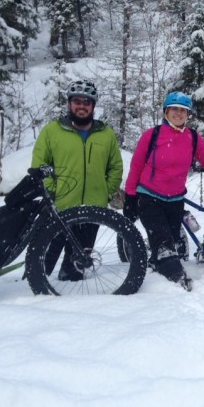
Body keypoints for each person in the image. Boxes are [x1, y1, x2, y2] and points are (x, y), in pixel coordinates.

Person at [122, 91, 204, 291]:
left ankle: (158, 266)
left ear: (188, 114)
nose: (178, 114)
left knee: (171, 238)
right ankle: (175, 277)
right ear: (166, 111)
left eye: (183, 111)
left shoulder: (192, 137)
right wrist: (130, 196)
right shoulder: (152, 135)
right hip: (149, 195)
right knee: (162, 240)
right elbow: (136, 166)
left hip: (176, 199)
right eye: (174, 109)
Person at [31, 79, 124, 281]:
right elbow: (40, 165)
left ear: (93, 105)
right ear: (69, 103)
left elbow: (115, 166)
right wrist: (52, 190)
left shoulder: (105, 134)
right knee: (45, 256)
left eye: (87, 102)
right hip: (61, 205)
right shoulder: (52, 131)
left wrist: (106, 190)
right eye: (77, 101)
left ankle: (72, 292)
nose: (82, 106)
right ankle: (35, 291)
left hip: (94, 205)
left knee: (79, 259)